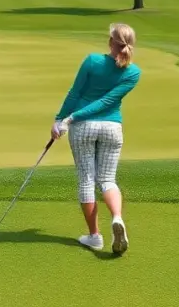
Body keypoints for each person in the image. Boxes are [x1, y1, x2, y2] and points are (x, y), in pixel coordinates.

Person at [51, 23, 141, 255]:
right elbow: (109, 103)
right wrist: (66, 120)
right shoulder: (133, 72)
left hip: (83, 127)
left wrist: (63, 119)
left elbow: (76, 93)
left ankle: (94, 237)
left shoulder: (92, 61)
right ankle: (117, 218)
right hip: (112, 128)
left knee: (86, 179)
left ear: (111, 41)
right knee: (107, 179)